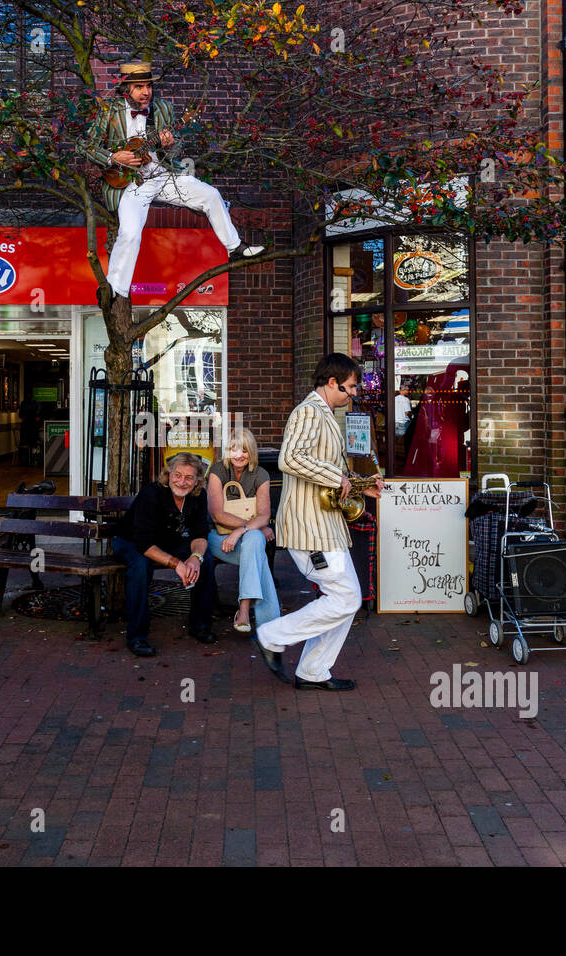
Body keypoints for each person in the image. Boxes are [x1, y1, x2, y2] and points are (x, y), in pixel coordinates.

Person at [77, 60, 264, 314]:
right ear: (126, 89)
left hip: (163, 175)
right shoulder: (109, 111)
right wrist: (113, 157)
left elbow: (177, 150)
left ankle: (235, 248)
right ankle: (114, 289)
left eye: (149, 86)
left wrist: (169, 144)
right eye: (139, 87)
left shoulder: (162, 109)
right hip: (130, 182)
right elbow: (84, 146)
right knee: (130, 233)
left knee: (210, 194)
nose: (146, 92)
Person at [252, 353, 382, 691]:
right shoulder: (309, 410)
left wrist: (365, 486)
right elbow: (290, 458)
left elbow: (328, 469)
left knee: (345, 600)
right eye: (350, 387)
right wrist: (339, 479)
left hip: (323, 525)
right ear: (331, 382)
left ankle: (313, 670)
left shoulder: (323, 413)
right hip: (311, 527)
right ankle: (270, 636)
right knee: (346, 599)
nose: (353, 393)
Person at [111, 452, 217, 657]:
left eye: (189, 477)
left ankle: (200, 625)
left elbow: (200, 534)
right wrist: (176, 563)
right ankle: (137, 636)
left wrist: (196, 558)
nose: (182, 482)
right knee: (140, 566)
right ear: (168, 475)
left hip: (168, 541)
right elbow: (143, 544)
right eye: (177, 475)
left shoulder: (199, 496)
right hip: (130, 541)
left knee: (206, 560)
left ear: (197, 481)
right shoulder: (152, 493)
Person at [206, 427, 279, 634]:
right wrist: (256, 525)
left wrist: (240, 531)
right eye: (234, 449)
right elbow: (217, 515)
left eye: (244, 450)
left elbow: (264, 515)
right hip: (218, 538)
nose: (239, 455)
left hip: (241, 540)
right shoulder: (217, 471)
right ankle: (269, 623)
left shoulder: (260, 474)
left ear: (252, 452)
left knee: (254, 541)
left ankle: (244, 610)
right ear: (228, 451)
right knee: (257, 546)